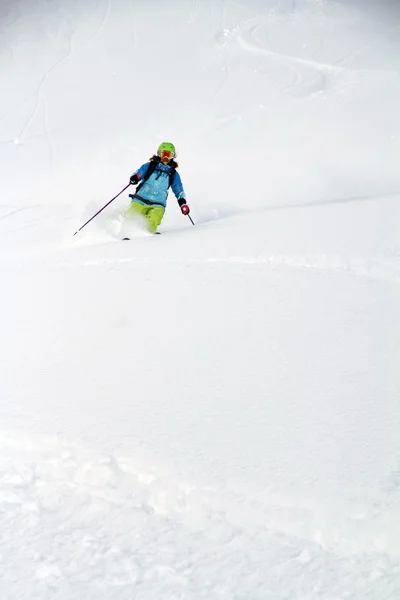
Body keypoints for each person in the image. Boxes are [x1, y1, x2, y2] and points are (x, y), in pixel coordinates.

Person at [127, 142, 190, 234]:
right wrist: (136, 177)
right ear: (159, 154)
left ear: (173, 156)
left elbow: (178, 190)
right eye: (164, 154)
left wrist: (182, 203)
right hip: (140, 199)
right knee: (131, 216)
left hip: (158, 204)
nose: (166, 157)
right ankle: (127, 233)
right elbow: (139, 173)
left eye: (169, 155)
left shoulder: (173, 174)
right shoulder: (150, 166)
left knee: (153, 220)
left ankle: (145, 236)